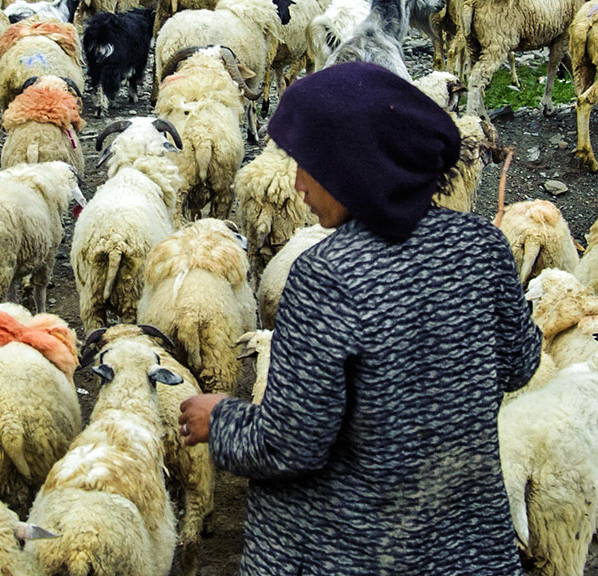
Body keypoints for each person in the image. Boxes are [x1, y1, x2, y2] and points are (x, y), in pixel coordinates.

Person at [178, 61, 541, 575]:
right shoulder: (482, 246)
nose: (299, 184)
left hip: (350, 550)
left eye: (311, 164)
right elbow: (521, 363)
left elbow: (290, 445)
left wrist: (221, 419)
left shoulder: (328, 275)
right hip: (462, 545)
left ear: (354, 166)